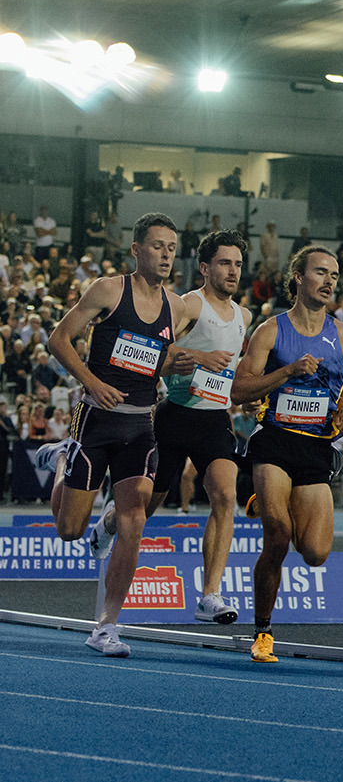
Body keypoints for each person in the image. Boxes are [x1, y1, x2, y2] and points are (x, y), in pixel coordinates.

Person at [36, 212, 191, 657]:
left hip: (142, 424)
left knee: (134, 520)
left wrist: (172, 364)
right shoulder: (107, 289)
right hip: (97, 421)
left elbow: (150, 360)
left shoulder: (176, 307)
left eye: (171, 247)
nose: (165, 254)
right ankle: (64, 459)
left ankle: (107, 626)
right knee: (69, 530)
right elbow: (58, 338)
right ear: (136, 250)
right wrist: (91, 381)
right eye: (157, 246)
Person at [231, 245, 343, 663]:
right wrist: (286, 372)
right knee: (278, 535)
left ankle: (266, 503)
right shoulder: (271, 331)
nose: (328, 281)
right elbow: (238, 390)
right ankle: (263, 631)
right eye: (320, 272)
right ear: (298, 277)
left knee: (316, 554)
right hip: (275, 442)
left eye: (334, 276)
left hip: (317, 447)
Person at [135, 229, 253, 624]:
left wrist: (246, 395)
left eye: (237, 263)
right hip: (176, 414)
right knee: (144, 508)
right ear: (205, 267)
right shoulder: (189, 304)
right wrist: (200, 357)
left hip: (216, 420)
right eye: (224, 262)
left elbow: (232, 372)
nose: (233, 270)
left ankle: (210, 594)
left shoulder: (244, 315)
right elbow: (159, 350)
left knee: (224, 495)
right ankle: (107, 522)